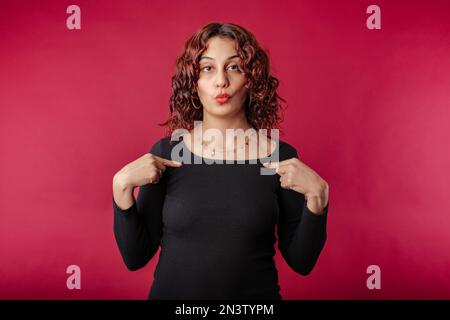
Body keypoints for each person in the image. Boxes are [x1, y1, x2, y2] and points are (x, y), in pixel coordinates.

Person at [112, 22, 329, 300]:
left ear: (252, 78)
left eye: (234, 67)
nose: (221, 81)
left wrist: (318, 199)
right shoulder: (168, 152)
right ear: (194, 81)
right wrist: (121, 189)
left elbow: (302, 262)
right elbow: (135, 256)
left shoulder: (279, 157)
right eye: (207, 68)